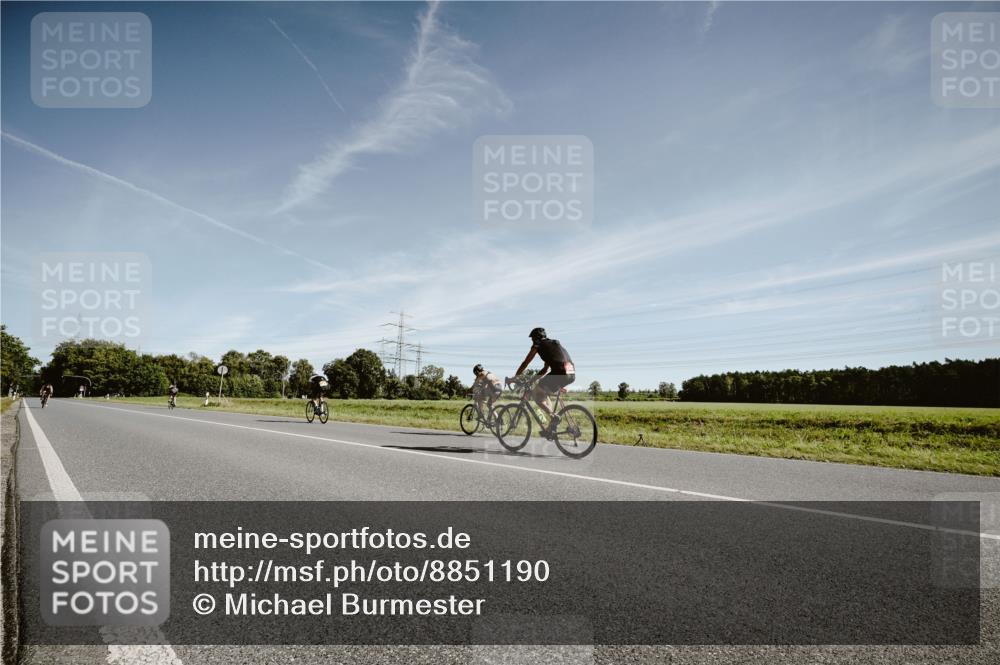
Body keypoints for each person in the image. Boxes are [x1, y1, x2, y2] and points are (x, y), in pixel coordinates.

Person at [509, 327, 575, 437]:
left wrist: (515, 377)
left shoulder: (538, 345)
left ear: (536, 339)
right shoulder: (552, 345)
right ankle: (550, 428)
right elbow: (544, 370)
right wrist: (532, 380)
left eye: (532, 339)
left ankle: (553, 416)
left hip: (559, 372)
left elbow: (525, 363)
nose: (532, 342)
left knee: (536, 395)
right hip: (571, 374)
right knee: (543, 394)